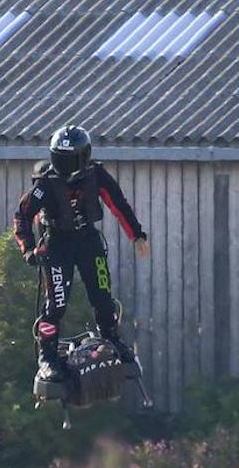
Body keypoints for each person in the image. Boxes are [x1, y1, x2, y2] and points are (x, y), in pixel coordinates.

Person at [13, 125, 151, 383]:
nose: (66, 165)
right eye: (61, 159)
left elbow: (118, 203)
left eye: (71, 159)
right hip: (56, 245)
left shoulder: (96, 175)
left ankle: (111, 338)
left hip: (88, 240)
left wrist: (136, 234)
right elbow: (23, 215)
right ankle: (48, 356)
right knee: (56, 304)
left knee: (102, 294)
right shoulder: (45, 184)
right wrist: (29, 249)